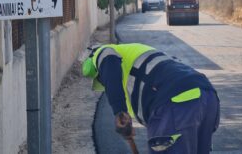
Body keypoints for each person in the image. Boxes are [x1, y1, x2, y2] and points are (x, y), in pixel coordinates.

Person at [82, 43, 219, 154]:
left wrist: (120, 111)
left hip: (176, 104)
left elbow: (109, 64)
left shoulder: (103, 53)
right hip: (207, 97)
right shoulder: (138, 53)